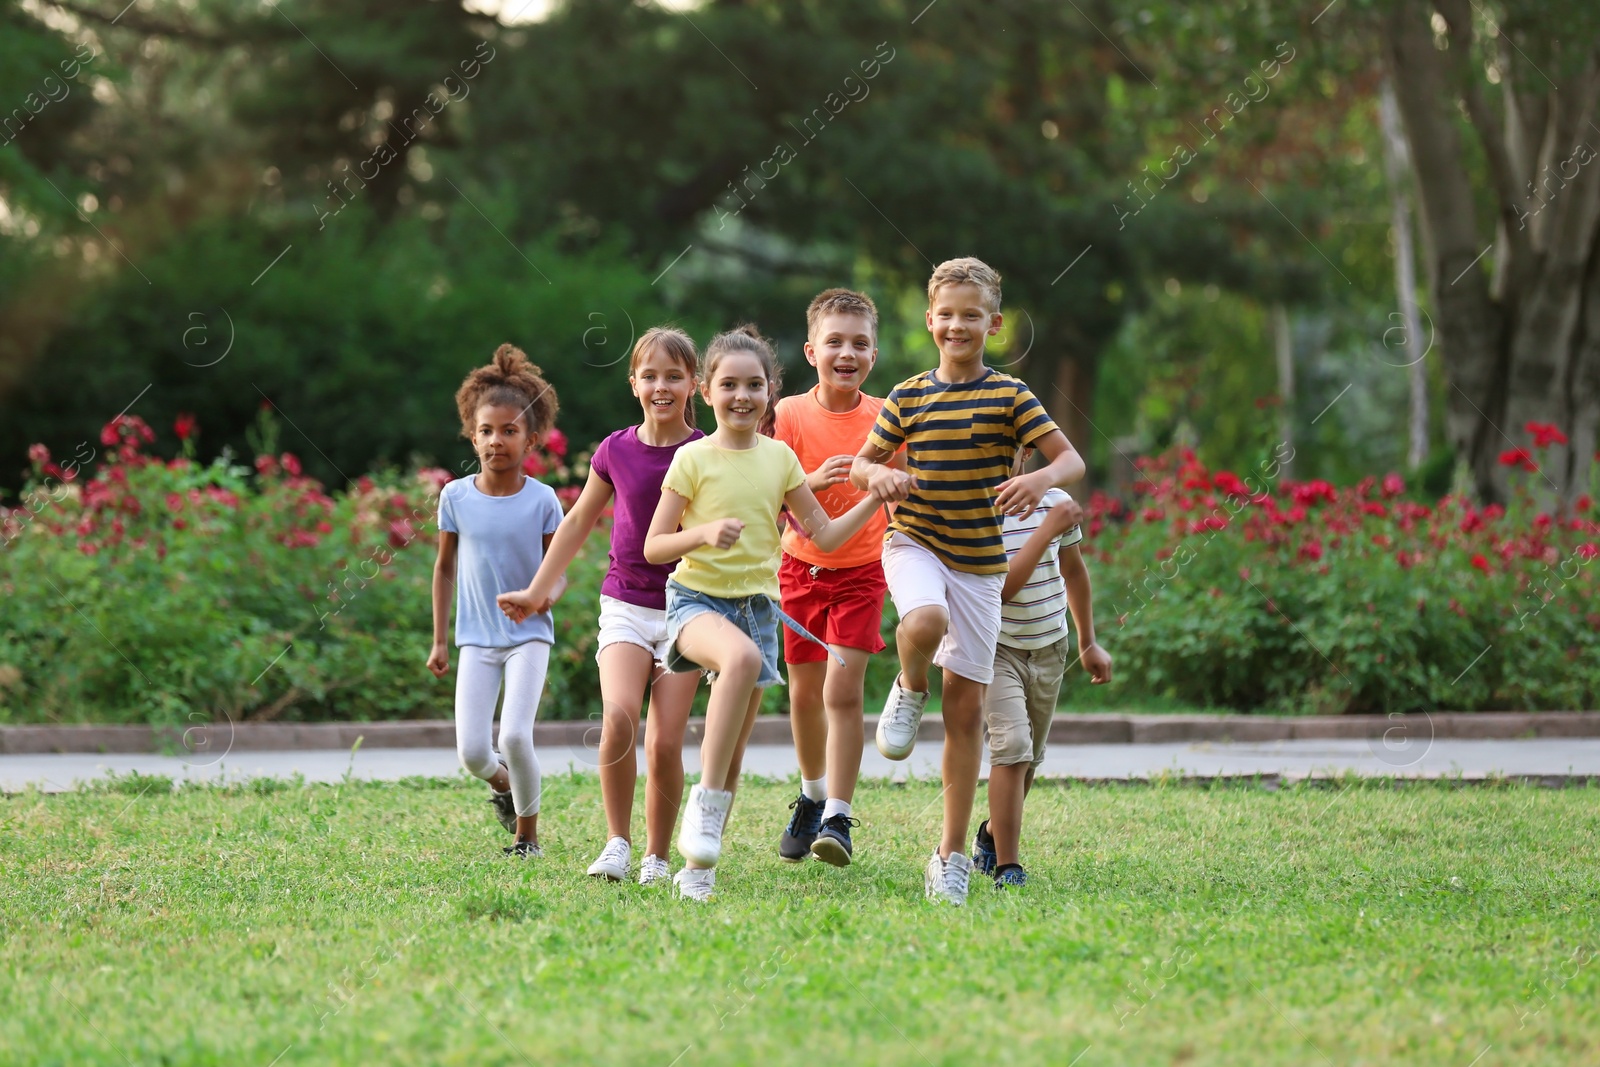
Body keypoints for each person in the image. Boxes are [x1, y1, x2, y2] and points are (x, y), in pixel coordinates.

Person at [851, 257, 1086, 906]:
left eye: (971, 315)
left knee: (967, 718)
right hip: (916, 541)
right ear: (930, 320)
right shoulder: (909, 395)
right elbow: (860, 466)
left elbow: (1071, 459)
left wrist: (1036, 479)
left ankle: (950, 853)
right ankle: (907, 684)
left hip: (980, 565)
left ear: (995, 323)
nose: (958, 324)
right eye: (947, 314)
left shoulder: (1011, 396)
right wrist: (882, 477)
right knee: (923, 622)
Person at [643, 325, 889, 901]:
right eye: (729, 384)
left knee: (731, 748)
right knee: (741, 660)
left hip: (757, 610)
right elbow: (655, 547)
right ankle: (701, 809)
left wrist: (876, 497)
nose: (742, 396)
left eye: (755, 385)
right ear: (707, 390)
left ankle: (697, 874)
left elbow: (824, 536)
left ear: (772, 391)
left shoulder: (780, 458)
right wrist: (702, 534)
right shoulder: (691, 458)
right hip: (696, 603)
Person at [497, 328, 703, 886]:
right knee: (618, 718)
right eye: (650, 375)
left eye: (674, 375)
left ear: (695, 384)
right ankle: (618, 843)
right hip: (626, 606)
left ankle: (659, 856)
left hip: (690, 611)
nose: (662, 386)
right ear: (633, 382)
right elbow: (578, 523)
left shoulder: (708, 452)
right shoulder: (616, 449)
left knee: (664, 740)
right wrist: (538, 590)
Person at [772, 288, 895, 868]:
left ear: (874, 353)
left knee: (841, 693)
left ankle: (839, 816)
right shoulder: (790, 414)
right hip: (800, 568)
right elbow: (769, 489)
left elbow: (900, 494)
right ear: (811, 350)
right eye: (835, 342)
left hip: (862, 573)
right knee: (803, 693)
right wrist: (816, 480)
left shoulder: (886, 416)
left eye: (860, 343)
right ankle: (812, 794)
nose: (847, 353)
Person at [428, 344, 564, 858]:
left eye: (509, 431)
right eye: (486, 430)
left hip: (528, 637)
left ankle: (527, 837)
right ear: (472, 433)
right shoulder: (456, 497)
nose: (496, 440)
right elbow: (444, 569)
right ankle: (506, 787)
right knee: (471, 753)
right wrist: (440, 641)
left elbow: (559, 571)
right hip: (476, 641)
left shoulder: (543, 499)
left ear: (531, 438)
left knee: (514, 736)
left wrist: (545, 596)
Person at [973, 451, 1111, 888]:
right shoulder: (974, 511)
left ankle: (993, 834)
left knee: (1028, 761)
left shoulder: (1054, 501)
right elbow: (1003, 589)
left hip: (1050, 647)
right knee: (1012, 746)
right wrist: (1049, 526)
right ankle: (1009, 866)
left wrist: (1088, 640)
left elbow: (1074, 573)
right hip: (995, 649)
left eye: (1004, 444)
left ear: (1025, 452)